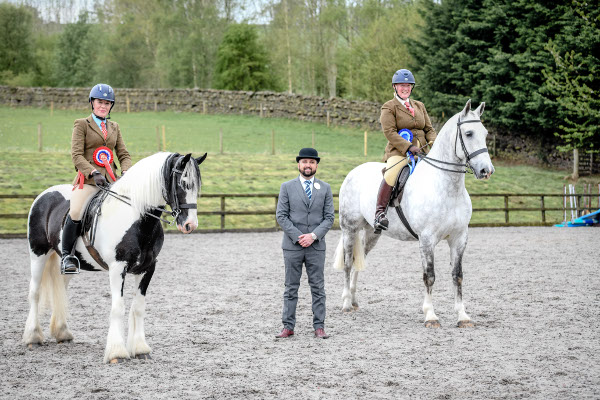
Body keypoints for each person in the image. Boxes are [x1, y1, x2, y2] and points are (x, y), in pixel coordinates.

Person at [60, 83, 132, 274]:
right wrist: (93, 172)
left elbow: (124, 154)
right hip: (89, 181)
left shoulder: (114, 127)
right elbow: (76, 155)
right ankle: (67, 256)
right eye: (100, 102)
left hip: (112, 181)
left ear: (111, 106)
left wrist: (125, 171)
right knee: (75, 211)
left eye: (107, 103)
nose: (103, 106)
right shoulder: (82, 124)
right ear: (92, 103)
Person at [275, 148, 335, 339]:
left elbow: (329, 218)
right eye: (304, 162)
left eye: (311, 162)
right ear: (298, 165)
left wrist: (313, 236)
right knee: (291, 287)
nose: (308, 165)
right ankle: (288, 326)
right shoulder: (287, 187)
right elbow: (281, 216)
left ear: (316, 165)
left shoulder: (325, 188)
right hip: (293, 246)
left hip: (316, 247)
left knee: (318, 287)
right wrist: (300, 236)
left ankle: (319, 326)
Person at [374, 69, 437, 233]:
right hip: (399, 152)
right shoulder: (389, 107)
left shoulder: (419, 106)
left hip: (422, 151)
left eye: (408, 86)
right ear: (395, 87)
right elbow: (390, 132)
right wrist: (409, 147)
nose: (405, 88)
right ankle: (380, 213)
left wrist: (435, 145)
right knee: (392, 173)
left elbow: (429, 129)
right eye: (402, 85)